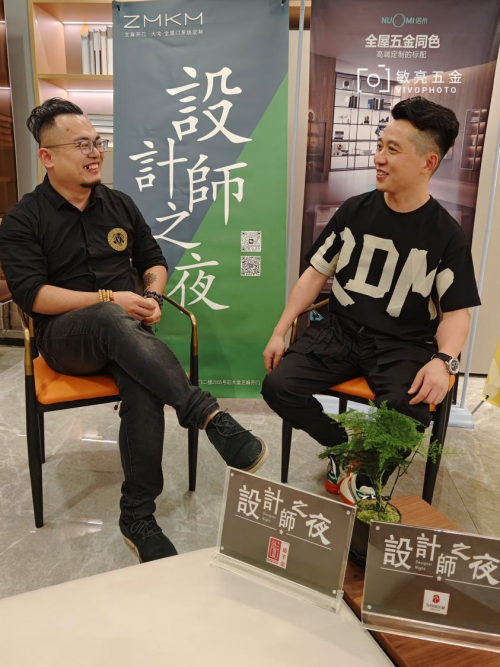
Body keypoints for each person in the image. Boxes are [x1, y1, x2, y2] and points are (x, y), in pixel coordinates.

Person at [0, 98, 268, 562]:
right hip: (65, 340)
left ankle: (137, 515)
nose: (95, 153)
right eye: (81, 145)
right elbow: (32, 294)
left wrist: (152, 298)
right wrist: (111, 300)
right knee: (109, 317)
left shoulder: (119, 204)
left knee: (143, 387)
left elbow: (153, 261)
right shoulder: (24, 219)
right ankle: (207, 415)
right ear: (47, 156)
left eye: (97, 142)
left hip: (127, 333)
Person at [262, 96, 480, 505]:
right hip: (340, 332)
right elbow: (314, 274)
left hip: (403, 343)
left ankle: (366, 471)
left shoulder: (446, 234)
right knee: (278, 386)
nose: (378, 158)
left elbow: (457, 312)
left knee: (411, 410)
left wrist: (444, 361)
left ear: (428, 162)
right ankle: (343, 449)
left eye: (392, 150)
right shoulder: (355, 211)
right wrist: (280, 330)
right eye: (380, 146)